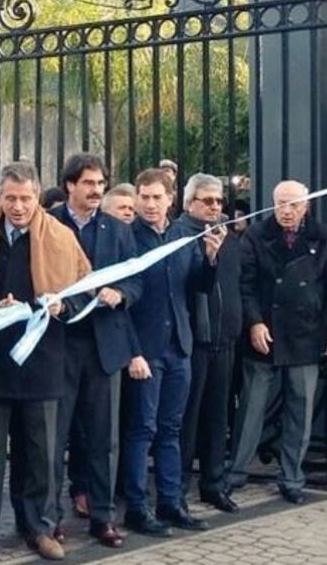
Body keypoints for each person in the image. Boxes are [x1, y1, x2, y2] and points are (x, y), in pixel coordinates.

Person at [0, 161, 91, 562]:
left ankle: (39, 526)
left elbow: (85, 290)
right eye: (10, 198)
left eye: (26, 198)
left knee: (40, 451)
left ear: (38, 196)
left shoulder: (62, 237)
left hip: (43, 359)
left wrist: (62, 304)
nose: (18, 207)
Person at [227, 180, 327, 504]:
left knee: (300, 408)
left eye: (293, 204)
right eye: (280, 204)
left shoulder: (323, 237)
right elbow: (245, 284)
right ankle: (236, 473)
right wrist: (254, 322)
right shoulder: (256, 235)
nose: (286, 211)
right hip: (264, 335)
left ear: (306, 205)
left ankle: (292, 478)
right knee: (251, 407)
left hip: (305, 336)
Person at [123, 168, 224, 537]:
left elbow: (196, 285)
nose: (150, 204)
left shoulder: (184, 235)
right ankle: (137, 506)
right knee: (142, 429)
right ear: (136, 198)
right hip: (144, 350)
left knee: (171, 429)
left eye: (156, 197)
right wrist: (132, 352)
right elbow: (124, 301)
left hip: (179, 346)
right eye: (144, 197)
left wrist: (211, 260)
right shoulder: (128, 238)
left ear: (171, 200)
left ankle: (171, 501)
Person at [48, 154, 142, 549]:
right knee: (56, 437)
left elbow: (138, 280)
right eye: (88, 183)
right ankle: (47, 519)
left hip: (105, 346)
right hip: (61, 344)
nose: (96, 191)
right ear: (70, 184)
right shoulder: (50, 223)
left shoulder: (118, 230)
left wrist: (119, 294)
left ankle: (102, 517)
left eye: (101, 184)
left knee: (105, 438)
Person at [174, 174, 243, 513]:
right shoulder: (181, 234)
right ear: (190, 203)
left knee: (218, 417)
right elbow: (191, 283)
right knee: (189, 419)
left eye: (218, 201)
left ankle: (213, 483)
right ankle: (179, 488)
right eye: (207, 201)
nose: (215, 207)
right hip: (194, 339)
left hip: (224, 338)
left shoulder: (229, 235)